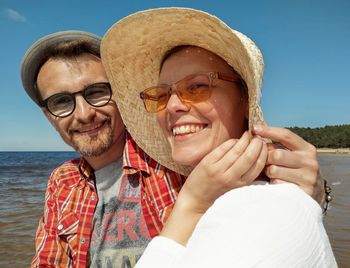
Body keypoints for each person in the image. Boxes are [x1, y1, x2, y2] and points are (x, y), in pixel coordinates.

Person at [100, 8, 337, 267]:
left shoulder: (267, 210)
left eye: (198, 86)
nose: (172, 106)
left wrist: (191, 205)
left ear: (244, 99)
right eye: (161, 95)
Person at [20, 30, 188, 267]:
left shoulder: (172, 157)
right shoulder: (62, 181)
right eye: (61, 101)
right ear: (49, 116)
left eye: (97, 92)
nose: (84, 114)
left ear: (120, 94)